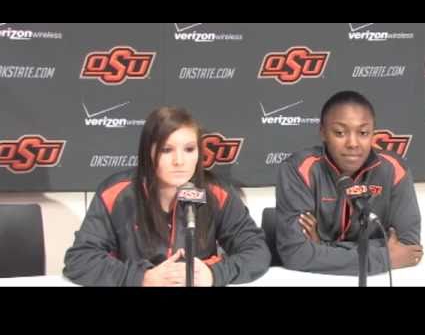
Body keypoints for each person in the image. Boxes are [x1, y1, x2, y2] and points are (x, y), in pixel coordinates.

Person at [64, 107, 270, 286]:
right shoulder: (115, 193)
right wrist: (141, 278)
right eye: (167, 150)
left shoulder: (217, 193)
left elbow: (257, 251)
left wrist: (213, 275)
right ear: (148, 152)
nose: (179, 161)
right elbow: (80, 259)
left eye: (189, 149)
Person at [275, 90, 423, 275]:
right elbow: (295, 253)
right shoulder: (297, 169)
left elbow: (408, 248)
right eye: (339, 132)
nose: (353, 143)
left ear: (372, 134)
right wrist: (383, 257)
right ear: (323, 132)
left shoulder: (394, 169)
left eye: (363, 132)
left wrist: (322, 246)